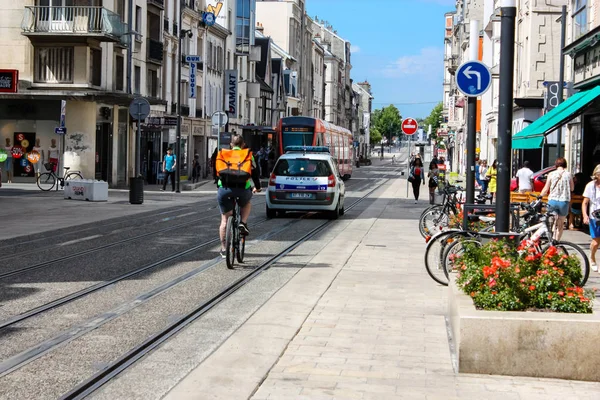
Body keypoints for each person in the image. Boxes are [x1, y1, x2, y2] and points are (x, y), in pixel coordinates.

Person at [216, 135, 261, 258]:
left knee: (224, 220)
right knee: (246, 203)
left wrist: (219, 186)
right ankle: (243, 223)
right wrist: (257, 186)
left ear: (231, 145)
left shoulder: (223, 154)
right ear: (243, 145)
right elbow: (255, 174)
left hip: (224, 189)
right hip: (242, 189)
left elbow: (217, 172)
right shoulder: (248, 155)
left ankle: (224, 249)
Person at [540, 157, 573, 241]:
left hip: (552, 201)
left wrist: (540, 196)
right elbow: (572, 188)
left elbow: (546, 188)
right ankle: (556, 241)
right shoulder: (568, 174)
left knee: (552, 221)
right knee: (560, 223)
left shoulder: (551, 174)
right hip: (564, 201)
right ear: (565, 164)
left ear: (556, 165)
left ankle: (551, 238)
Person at [582, 165, 600, 272]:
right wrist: (585, 215)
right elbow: (585, 203)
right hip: (595, 216)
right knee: (596, 242)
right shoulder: (590, 186)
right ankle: (592, 258)